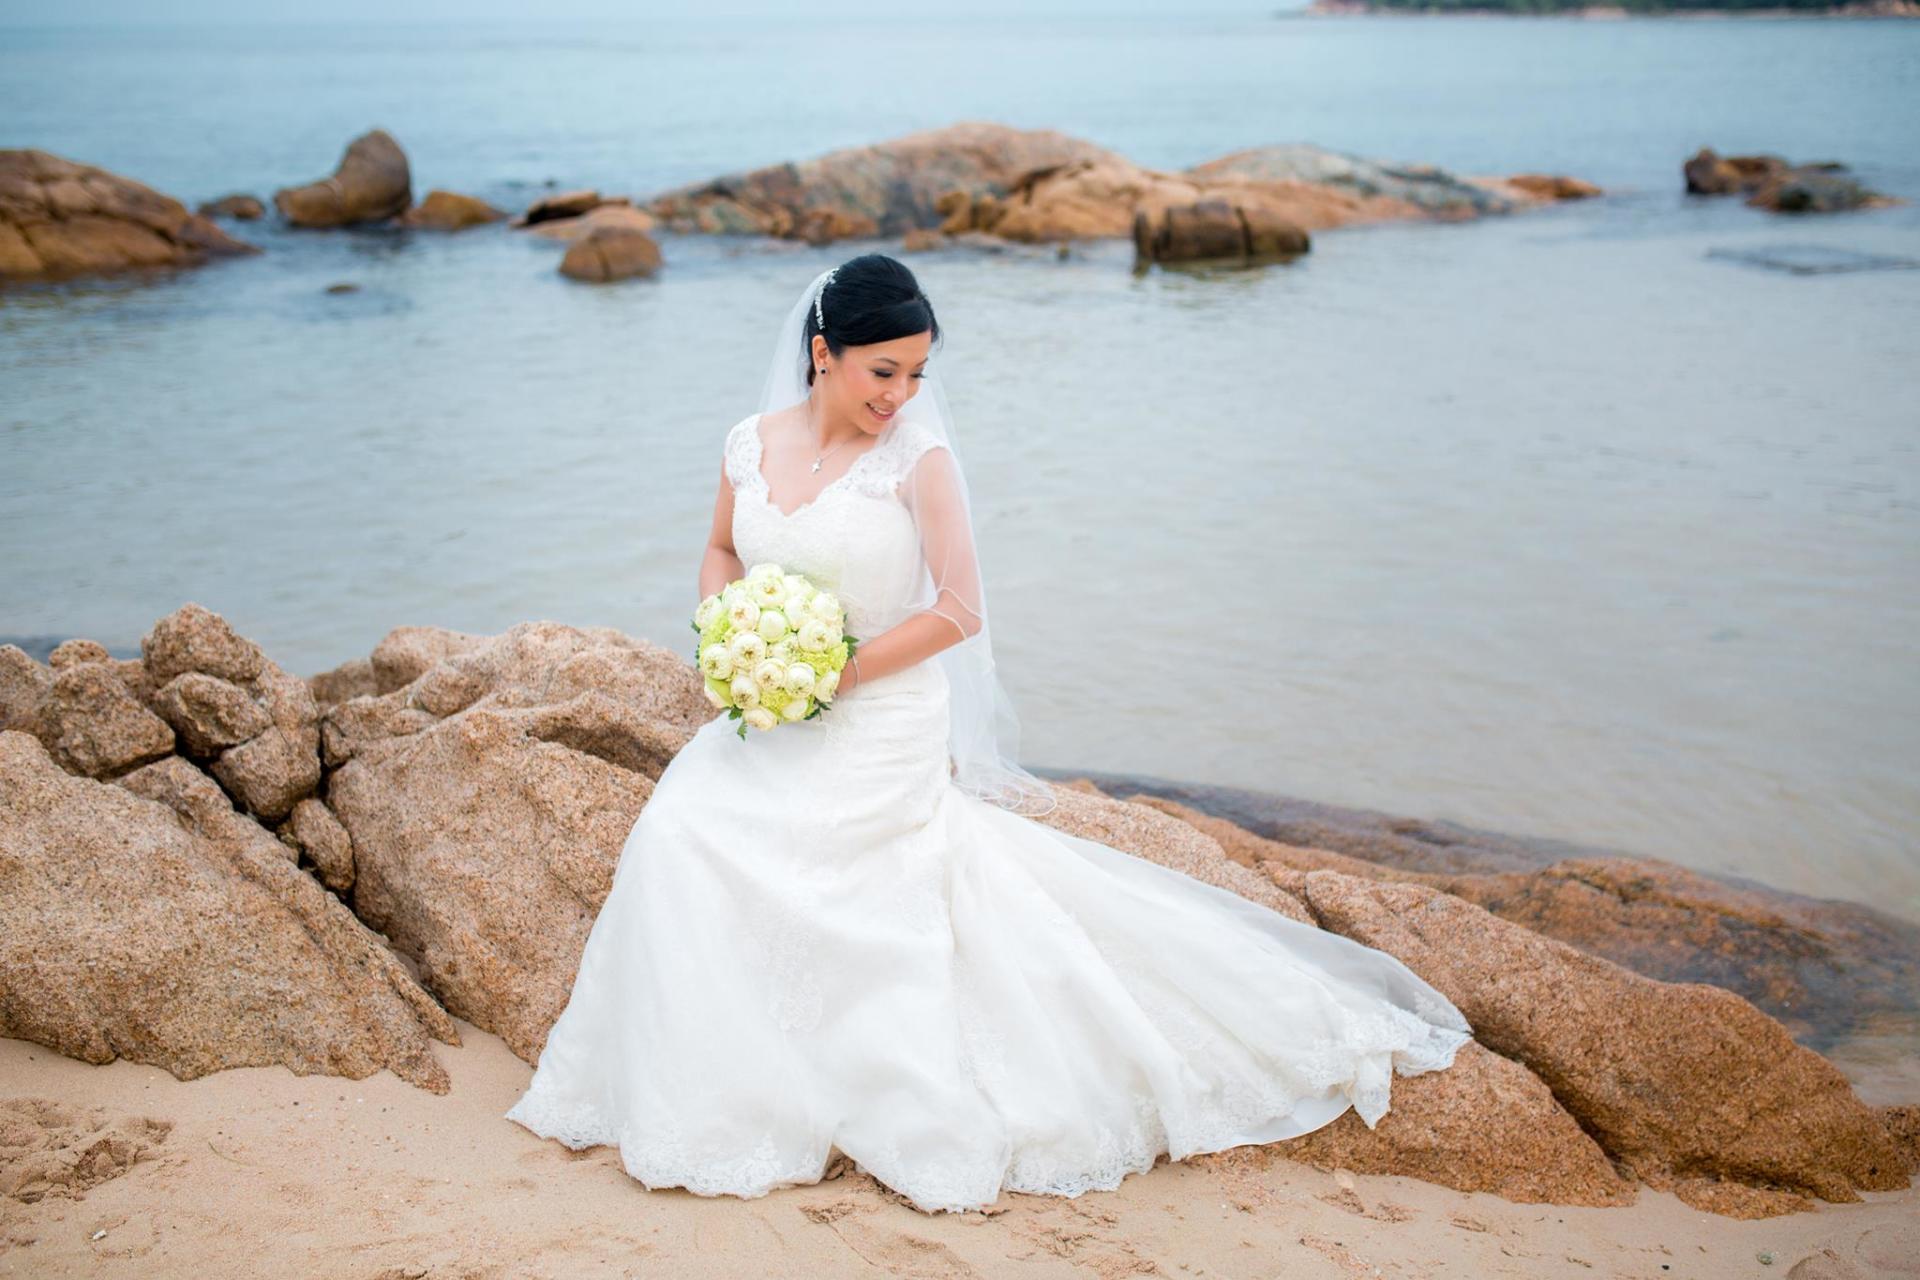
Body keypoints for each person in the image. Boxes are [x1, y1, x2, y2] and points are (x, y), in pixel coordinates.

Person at [503, 254, 1473, 1214]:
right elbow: (719, 549)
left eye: (918, 372)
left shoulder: (919, 462)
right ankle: (710, 1071)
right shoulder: (748, 443)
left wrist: (835, 671)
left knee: (844, 879)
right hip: (768, 711)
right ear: (823, 353)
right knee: (679, 831)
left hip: (879, 714)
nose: (903, 393)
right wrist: (727, 634)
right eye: (885, 370)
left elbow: (961, 608)